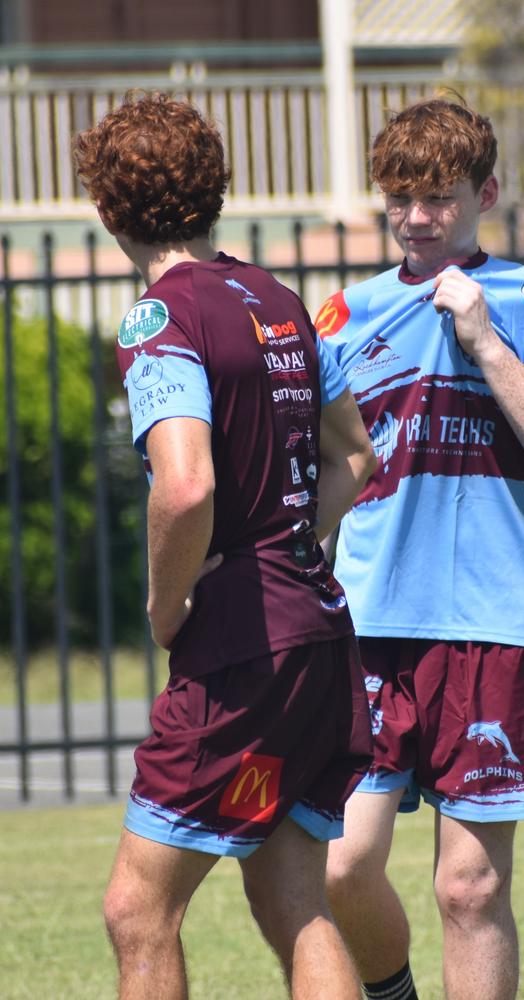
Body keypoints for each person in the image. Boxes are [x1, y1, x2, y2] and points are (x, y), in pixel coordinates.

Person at [314, 93, 524, 1000]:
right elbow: (318, 469)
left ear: (486, 191)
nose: (416, 218)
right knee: (341, 866)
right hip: (366, 626)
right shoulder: (342, 315)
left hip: (495, 630)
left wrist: (487, 344)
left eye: (440, 197)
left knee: (468, 887)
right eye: (400, 198)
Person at [73, 91, 377, 1000]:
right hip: (319, 637)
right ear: (215, 190)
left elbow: (188, 482)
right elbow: (355, 459)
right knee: (294, 898)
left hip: (242, 655)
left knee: (138, 909)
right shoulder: (277, 298)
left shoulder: (160, 318)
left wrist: (171, 607)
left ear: (107, 207)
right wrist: (283, 541)